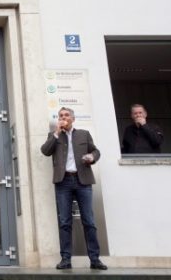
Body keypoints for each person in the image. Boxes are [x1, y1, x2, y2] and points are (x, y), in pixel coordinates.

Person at [40, 107, 107, 270]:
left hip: (82, 180)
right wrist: (56, 133)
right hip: (63, 182)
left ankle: (95, 259)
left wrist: (92, 157)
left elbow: (96, 151)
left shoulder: (84, 134)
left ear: (73, 119)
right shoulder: (53, 135)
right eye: (60, 116)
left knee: (89, 221)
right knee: (65, 222)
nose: (63, 117)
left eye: (66, 115)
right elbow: (45, 151)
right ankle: (65, 259)